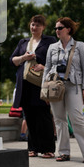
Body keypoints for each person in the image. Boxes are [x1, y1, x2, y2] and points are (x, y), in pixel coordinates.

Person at [43, 17, 84, 163]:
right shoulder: (52, 47)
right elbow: (47, 68)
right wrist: (44, 89)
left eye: (60, 28)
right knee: (59, 120)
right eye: (55, 28)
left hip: (74, 86)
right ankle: (64, 152)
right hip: (54, 86)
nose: (57, 31)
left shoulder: (80, 46)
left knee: (77, 118)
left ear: (68, 29)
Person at [11, 15, 56, 158]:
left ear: (43, 27)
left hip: (41, 84)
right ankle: (33, 148)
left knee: (43, 116)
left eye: (37, 25)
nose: (34, 27)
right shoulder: (23, 42)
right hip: (25, 84)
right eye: (32, 24)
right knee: (29, 117)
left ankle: (48, 149)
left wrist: (44, 66)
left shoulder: (50, 41)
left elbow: (56, 60)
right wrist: (24, 57)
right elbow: (13, 60)